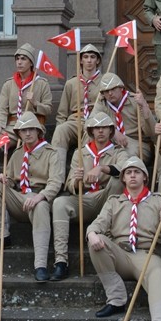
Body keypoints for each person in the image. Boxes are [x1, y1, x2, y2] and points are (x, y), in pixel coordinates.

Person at [87, 155, 161, 321]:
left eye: (137, 172)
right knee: (95, 242)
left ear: (145, 177)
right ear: (124, 179)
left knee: (157, 276)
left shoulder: (158, 200)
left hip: (147, 254)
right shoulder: (114, 201)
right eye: (128, 172)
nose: (133, 175)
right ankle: (116, 298)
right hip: (120, 252)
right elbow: (96, 225)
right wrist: (92, 234)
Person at [0, 114, 62, 280]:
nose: (27, 133)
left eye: (31, 129)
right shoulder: (18, 153)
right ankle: (2, 235)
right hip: (20, 198)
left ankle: (40, 265)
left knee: (39, 206)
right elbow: (11, 179)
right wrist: (3, 179)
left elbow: (56, 182)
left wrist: (40, 196)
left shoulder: (51, 153)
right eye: (23, 130)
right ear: (18, 133)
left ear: (38, 131)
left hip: (41, 197)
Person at [50, 110, 126, 281]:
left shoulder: (117, 151)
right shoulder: (80, 152)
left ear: (111, 131)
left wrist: (101, 168)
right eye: (96, 128)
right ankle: (61, 261)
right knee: (59, 203)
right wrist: (76, 182)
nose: (100, 131)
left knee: (118, 181)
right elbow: (70, 185)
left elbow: (124, 169)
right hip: (85, 198)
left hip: (106, 198)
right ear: (90, 131)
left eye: (104, 127)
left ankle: (109, 244)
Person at [0, 44, 52, 193]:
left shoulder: (41, 83)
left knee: (28, 143)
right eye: (17, 59)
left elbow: (48, 109)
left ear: (31, 62)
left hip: (32, 127)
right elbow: (2, 108)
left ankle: (19, 180)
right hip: (13, 126)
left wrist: (35, 103)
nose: (19, 62)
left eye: (23, 59)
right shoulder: (9, 84)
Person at [51, 43, 104, 177]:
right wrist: (60, 126)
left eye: (92, 57)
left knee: (90, 131)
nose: (89, 60)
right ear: (80, 60)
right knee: (61, 130)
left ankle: (83, 177)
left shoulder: (105, 81)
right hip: (75, 120)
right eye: (85, 57)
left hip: (96, 122)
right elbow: (62, 112)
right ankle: (56, 177)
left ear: (97, 60)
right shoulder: (71, 83)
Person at [97, 71, 156, 164]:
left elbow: (151, 132)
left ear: (121, 88)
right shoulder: (102, 102)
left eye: (113, 89)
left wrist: (144, 106)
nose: (110, 93)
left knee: (125, 156)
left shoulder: (135, 101)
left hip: (137, 143)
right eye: (106, 91)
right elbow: (90, 122)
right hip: (113, 142)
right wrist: (113, 132)